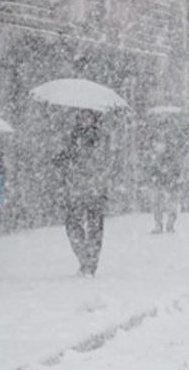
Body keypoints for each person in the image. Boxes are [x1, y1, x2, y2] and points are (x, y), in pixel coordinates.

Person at [54, 110, 109, 276]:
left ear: (94, 118)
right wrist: (62, 158)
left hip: (95, 188)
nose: (85, 119)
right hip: (75, 188)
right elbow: (65, 159)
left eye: (88, 115)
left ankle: (91, 262)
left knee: (95, 227)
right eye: (82, 116)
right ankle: (84, 258)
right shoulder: (72, 136)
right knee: (72, 224)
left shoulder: (101, 137)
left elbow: (104, 161)